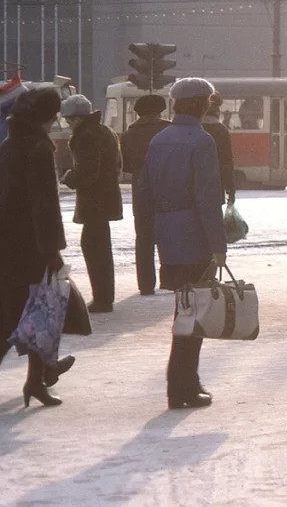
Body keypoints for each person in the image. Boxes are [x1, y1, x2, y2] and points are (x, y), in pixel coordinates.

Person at [136, 77, 227, 410]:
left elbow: (144, 191)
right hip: (195, 236)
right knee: (194, 313)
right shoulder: (201, 141)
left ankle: (187, 382)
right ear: (203, 104)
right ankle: (182, 387)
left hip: (168, 234)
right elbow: (207, 198)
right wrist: (218, 246)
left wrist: (154, 233)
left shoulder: (159, 139)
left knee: (184, 310)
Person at [0, 88, 75, 407]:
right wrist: (52, 249)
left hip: (6, 241)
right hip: (30, 245)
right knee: (32, 312)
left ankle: (38, 379)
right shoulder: (39, 148)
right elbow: (44, 205)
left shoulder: (7, 144)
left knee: (22, 311)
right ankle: (36, 381)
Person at [60, 94, 123, 314]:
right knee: (101, 249)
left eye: (69, 120)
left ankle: (102, 299)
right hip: (107, 198)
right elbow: (118, 164)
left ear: (78, 118)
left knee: (94, 249)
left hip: (94, 200)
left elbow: (88, 171)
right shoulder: (105, 131)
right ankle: (105, 297)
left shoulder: (84, 135)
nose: (68, 124)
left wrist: (69, 177)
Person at [120, 94, 171, 295]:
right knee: (169, 236)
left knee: (143, 239)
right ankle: (169, 279)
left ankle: (145, 284)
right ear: (160, 110)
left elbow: (127, 166)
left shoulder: (129, 134)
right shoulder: (169, 130)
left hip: (141, 191)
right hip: (168, 188)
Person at [202, 93, 237, 205]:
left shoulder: (194, 128)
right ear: (217, 112)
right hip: (215, 186)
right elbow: (226, 162)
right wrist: (230, 189)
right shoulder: (221, 130)